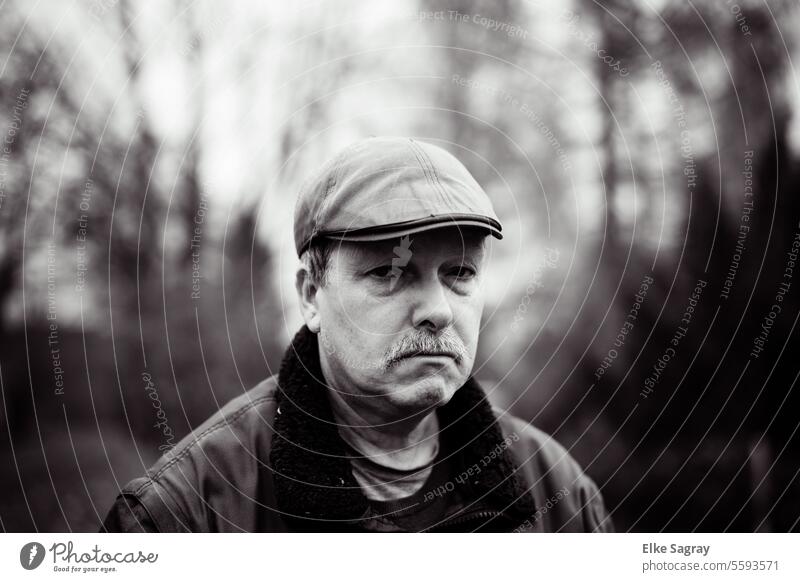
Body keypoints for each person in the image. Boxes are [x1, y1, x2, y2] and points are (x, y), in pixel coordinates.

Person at [101, 136, 613, 532]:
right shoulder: (184, 516)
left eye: (460, 273)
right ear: (310, 296)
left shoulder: (562, 496)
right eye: (389, 274)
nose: (438, 310)